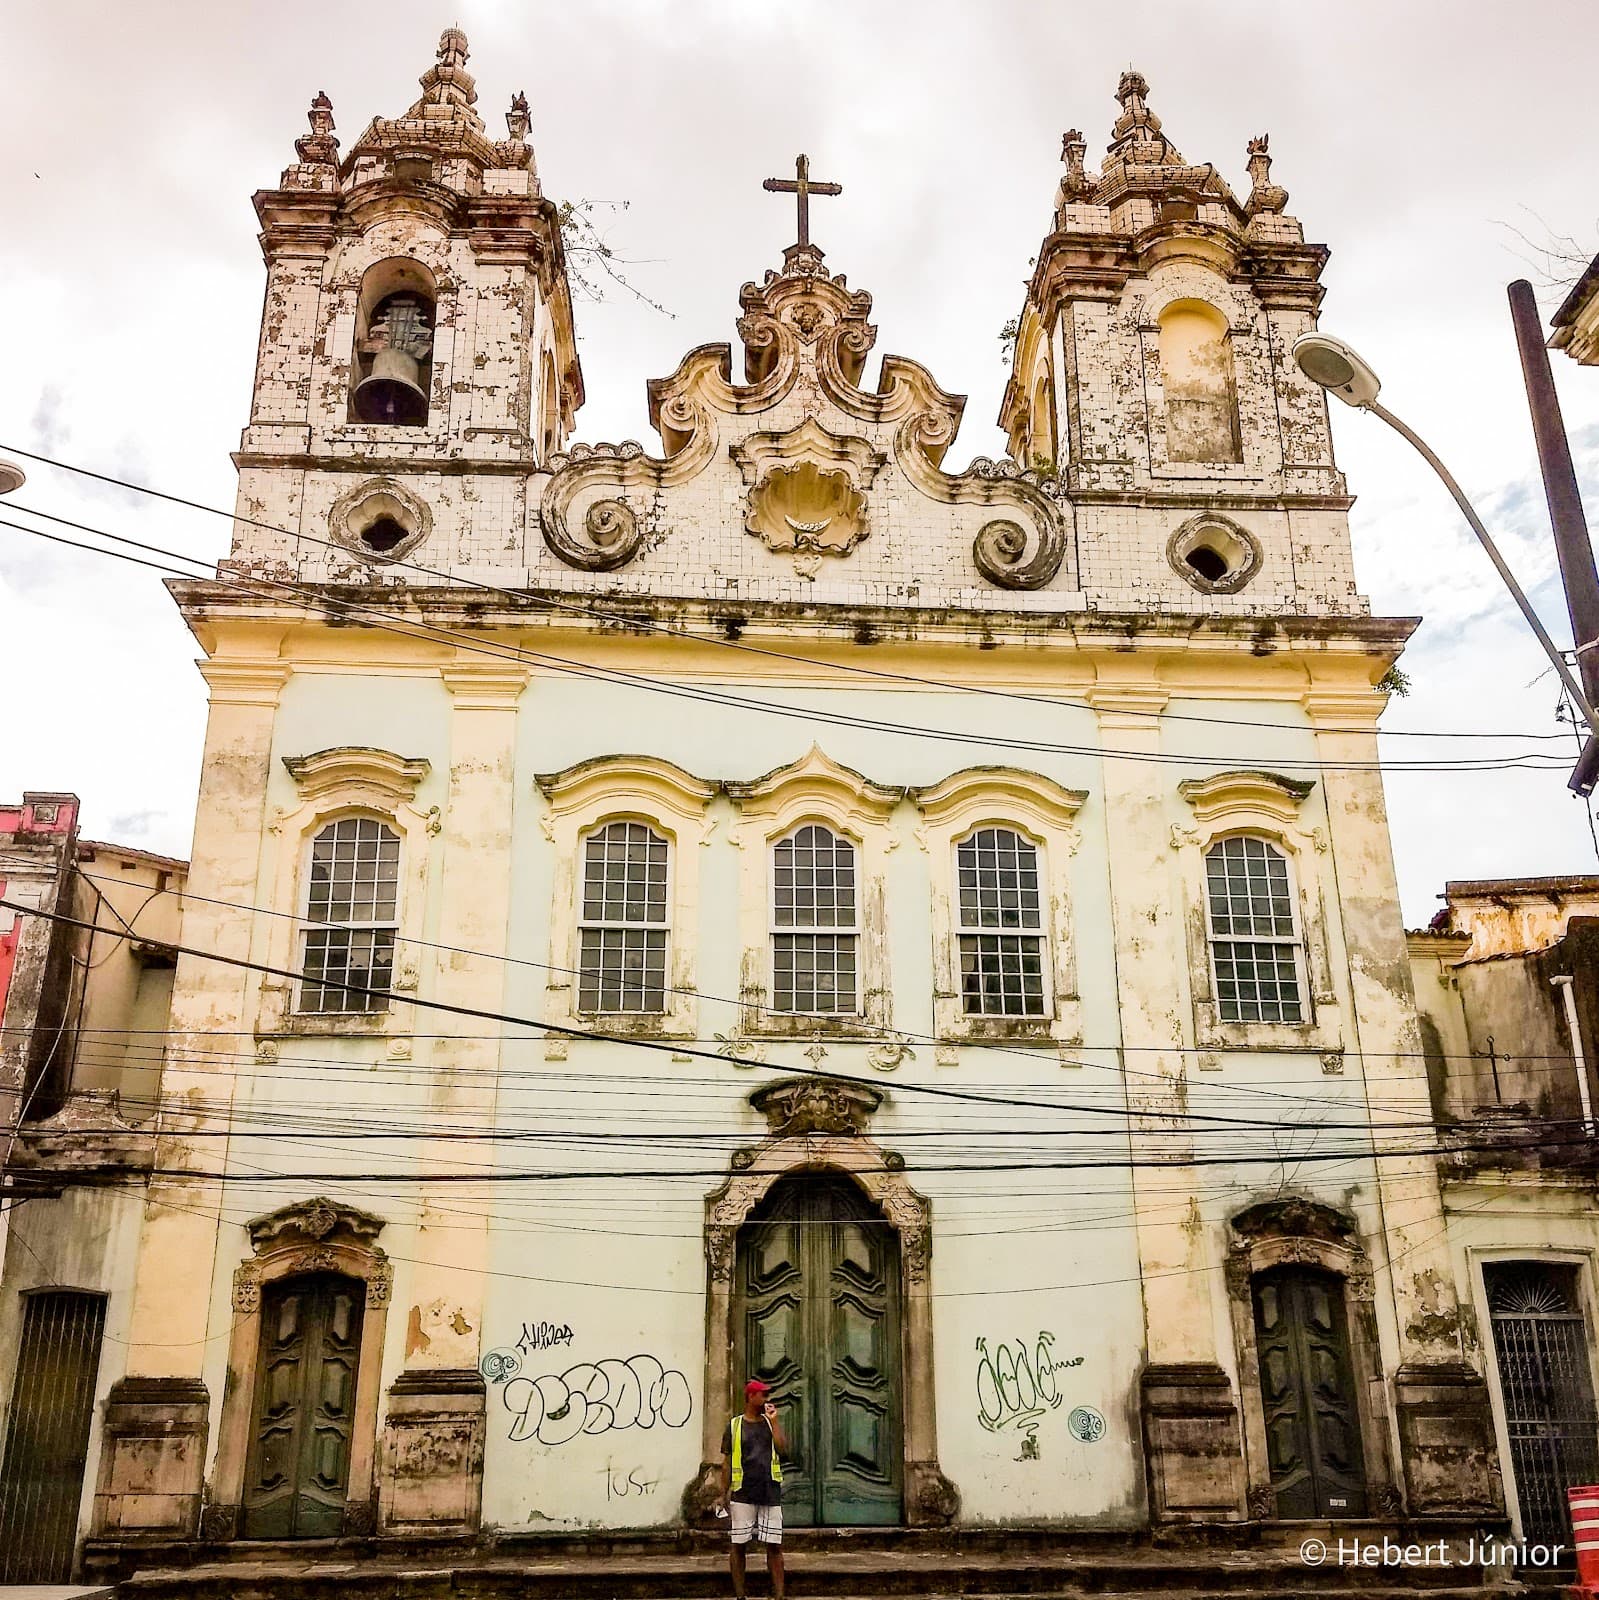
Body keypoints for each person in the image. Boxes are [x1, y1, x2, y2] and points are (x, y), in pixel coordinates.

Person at [718, 1378, 788, 1600]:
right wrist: (723, 1492)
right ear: (751, 1397)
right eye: (763, 1395)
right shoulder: (734, 1426)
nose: (767, 1398)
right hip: (743, 1493)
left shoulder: (770, 1423)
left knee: (774, 1545)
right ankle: (740, 1595)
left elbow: (783, 1449)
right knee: (738, 1545)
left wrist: (774, 1422)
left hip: (769, 1491)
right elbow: (727, 1462)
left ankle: (779, 1596)